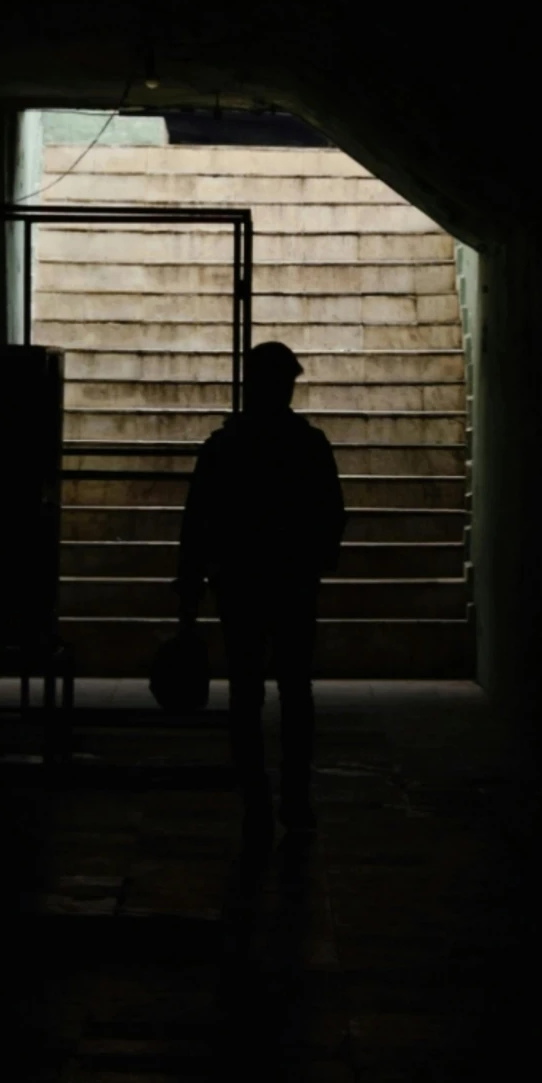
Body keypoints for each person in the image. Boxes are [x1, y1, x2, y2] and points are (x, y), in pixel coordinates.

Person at [175, 340, 345, 835]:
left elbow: (196, 524)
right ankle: (294, 798)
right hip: (291, 581)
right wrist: (312, 562)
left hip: (240, 583)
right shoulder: (308, 445)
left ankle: (256, 801)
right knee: (295, 690)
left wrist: (190, 591)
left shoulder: (224, 447)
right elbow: (331, 514)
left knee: (246, 693)